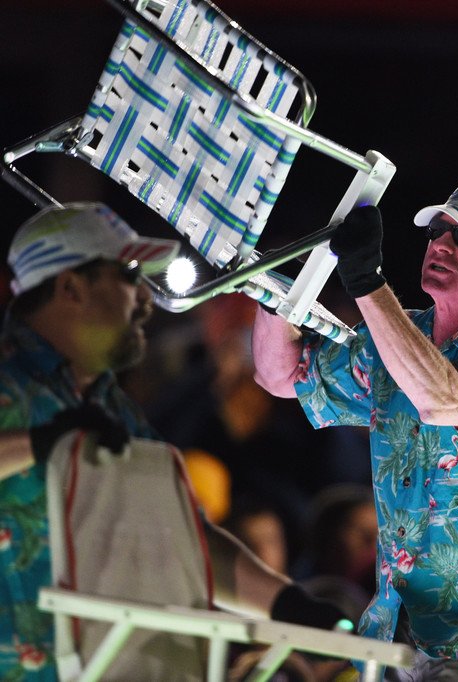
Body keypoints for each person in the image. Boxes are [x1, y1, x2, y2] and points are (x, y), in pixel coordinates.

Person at [0, 203, 344, 678]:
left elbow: (179, 539)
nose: (147, 299)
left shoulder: (110, 408)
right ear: (70, 287)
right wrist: (43, 442)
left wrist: (287, 604)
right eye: (129, 277)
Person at [252, 177, 458, 681]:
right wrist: (277, 297)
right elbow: (281, 376)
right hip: (396, 637)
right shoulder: (401, 337)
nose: (441, 244)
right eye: (437, 231)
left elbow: (446, 398)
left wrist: (367, 284)